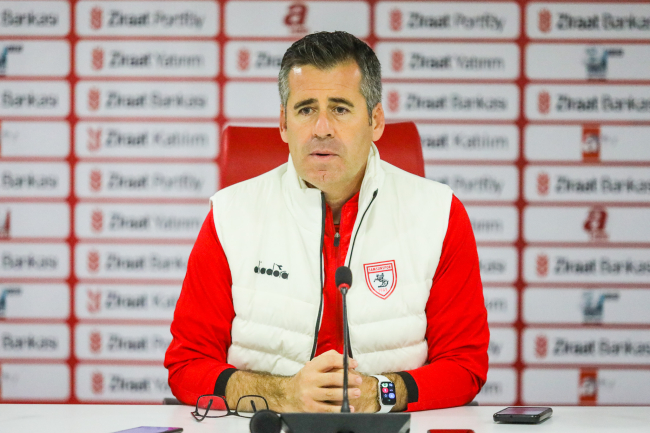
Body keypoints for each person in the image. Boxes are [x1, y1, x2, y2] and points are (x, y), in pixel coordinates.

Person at [164, 31, 489, 413]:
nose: (322, 128)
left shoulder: (440, 213)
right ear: (283, 123)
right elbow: (187, 366)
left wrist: (379, 394)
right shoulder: (230, 215)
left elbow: (464, 367)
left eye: (340, 109)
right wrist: (283, 394)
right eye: (305, 110)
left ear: (376, 121)